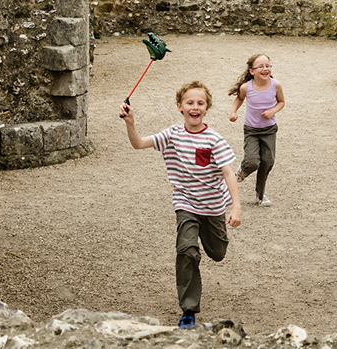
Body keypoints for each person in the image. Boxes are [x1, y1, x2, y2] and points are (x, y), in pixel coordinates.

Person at [119, 80, 242, 329]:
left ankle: (213, 242)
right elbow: (139, 143)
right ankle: (188, 310)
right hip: (185, 202)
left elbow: (229, 173)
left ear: (206, 108)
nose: (195, 107)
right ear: (180, 107)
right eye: (190, 102)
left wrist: (236, 207)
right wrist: (131, 123)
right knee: (187, 251)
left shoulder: (214, 140)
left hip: (214, 206)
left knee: (217, 253)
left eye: (200, 103)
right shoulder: (172, 135)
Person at [228, 53, 286, 207]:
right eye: (261, 66)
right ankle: (242, 171)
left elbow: (281, 102)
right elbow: (239, 98)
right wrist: (233, 112)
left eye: (267, 65)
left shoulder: (276, 85)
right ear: (251, 71)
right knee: (253, 161)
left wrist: (273, 111)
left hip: (269, 130)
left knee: (268, 161)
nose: (265, 69)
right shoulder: (246, 87)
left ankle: (260, 194)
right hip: (252, 131)